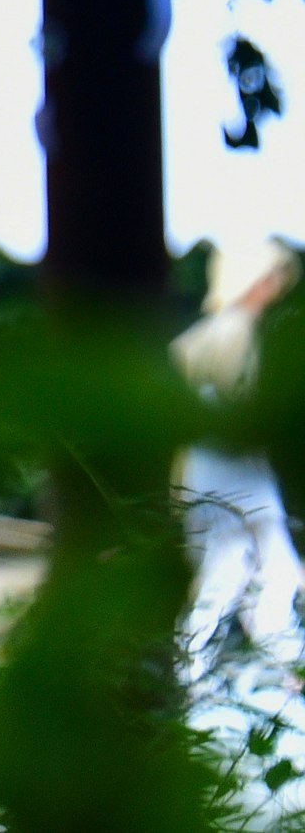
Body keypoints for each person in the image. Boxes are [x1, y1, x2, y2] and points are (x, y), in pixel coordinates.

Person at [178, 237, 302, 674]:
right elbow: (238, 407)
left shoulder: (215, 330)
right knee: (235, 570)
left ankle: (281, 658)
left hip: (222, 467)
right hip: (230, 468)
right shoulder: (233, 331)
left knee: (262, 568)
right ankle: (195, 667)